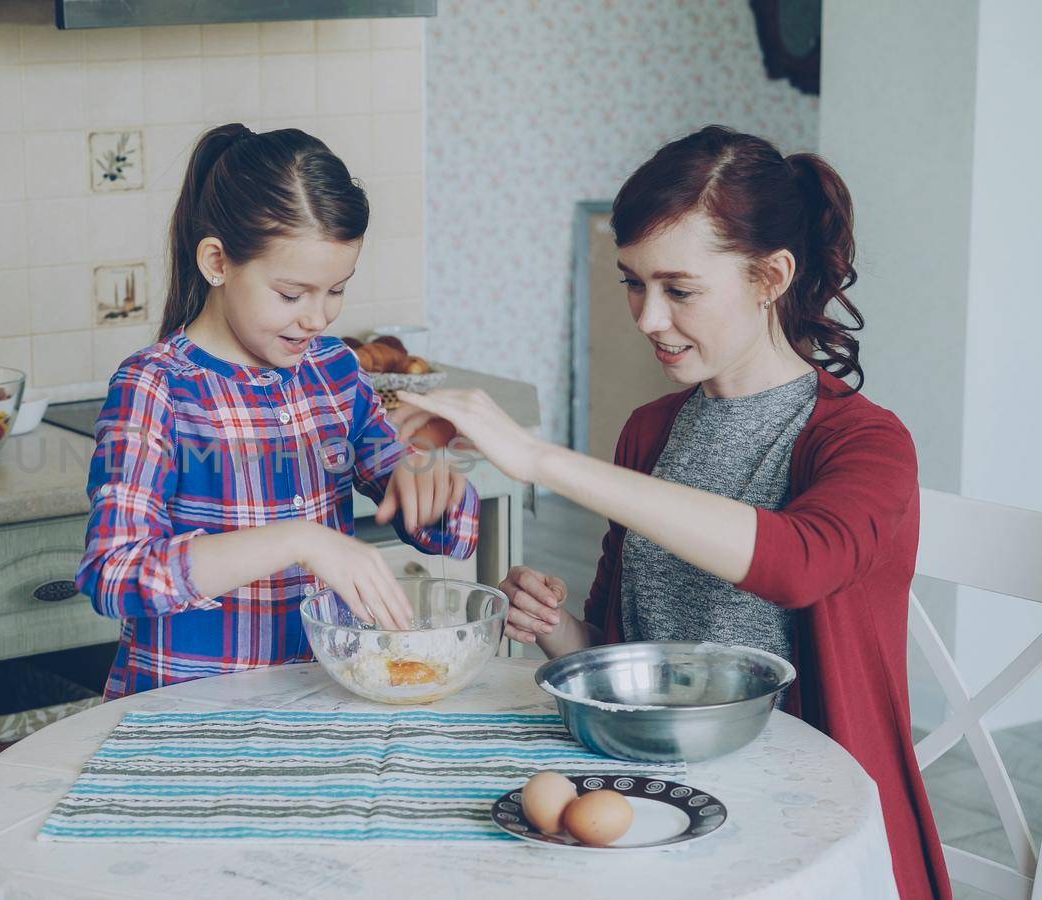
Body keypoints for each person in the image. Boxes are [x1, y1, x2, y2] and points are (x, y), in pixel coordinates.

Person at [394, 126, 950, 898]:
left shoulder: (864, 442)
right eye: (632, 282)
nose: (648, 317)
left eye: (679, 289)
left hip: (810, 828)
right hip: (659, 812)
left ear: (771, 278)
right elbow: (629, 658)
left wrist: (542, 458)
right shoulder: (650, 431)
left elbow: (797, 564)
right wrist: (558, 629)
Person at [76, 124, 480, 700]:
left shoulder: (334, 371)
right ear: (217, 261)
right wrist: (297, 540)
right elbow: (114, 575)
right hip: (190, 720)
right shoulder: (157, 387)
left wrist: (432, 483)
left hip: (319, 704)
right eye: (292, 295)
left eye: (336, 290)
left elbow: (447, 531)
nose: (317, 318)